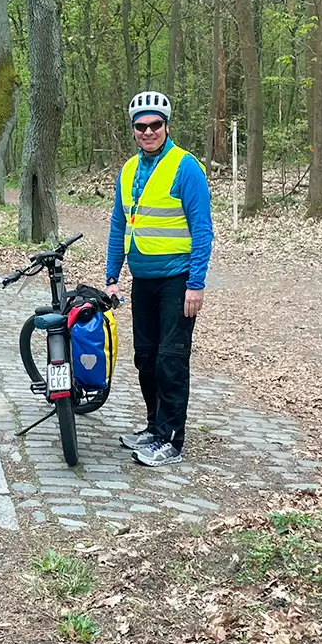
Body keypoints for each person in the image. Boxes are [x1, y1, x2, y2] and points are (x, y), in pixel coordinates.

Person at [105, 91, 213, 469]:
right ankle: (153, 427)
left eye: (155, 125)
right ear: (133, 130)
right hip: (142, 280)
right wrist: (111, 275)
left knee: (171, 360)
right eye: (141, 126)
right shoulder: (129, 170)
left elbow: (202, 230)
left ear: (166, 126)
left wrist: (196, 284)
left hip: (177, 281)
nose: (148, 131)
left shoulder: (186, 167)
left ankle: (171, 439)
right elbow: (120, 223)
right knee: (145, 358)